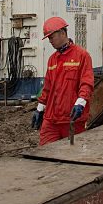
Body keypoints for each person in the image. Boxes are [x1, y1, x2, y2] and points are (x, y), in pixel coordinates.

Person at [32, 16, 94, 146]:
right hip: (51, 120)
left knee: (72, 159)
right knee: (45, 155)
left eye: (51, 37)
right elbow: (47, 88)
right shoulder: (52, 60)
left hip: (72, 119)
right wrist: (39, 108)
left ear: (62, 33)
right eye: (48, 38)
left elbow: (86, 83)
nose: (50, 41)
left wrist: (80, 104)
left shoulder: (82, 56)